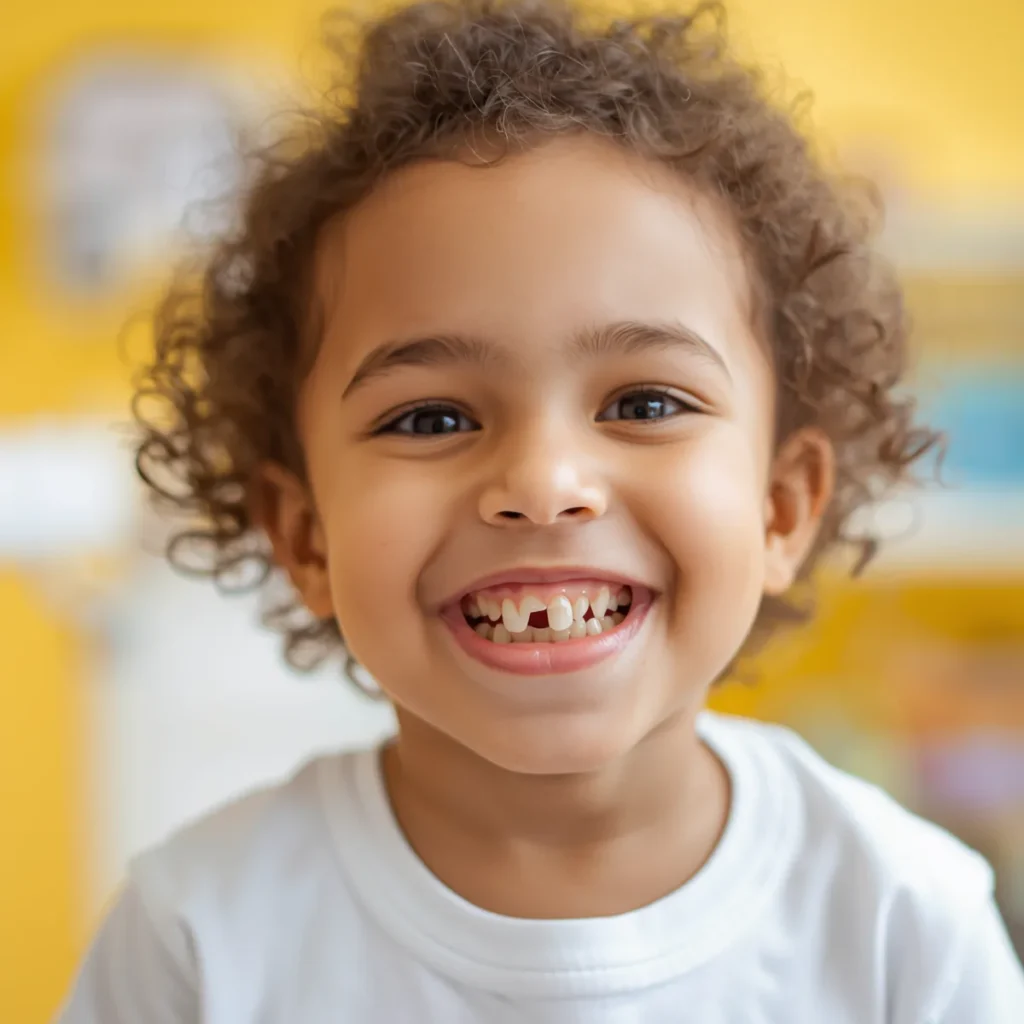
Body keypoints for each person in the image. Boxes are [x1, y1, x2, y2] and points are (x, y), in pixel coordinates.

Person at [58, 1, 1024, 1021]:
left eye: (644, 403)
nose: (543, 481)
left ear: (781, 506)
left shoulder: (901, 923)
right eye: (429, 417)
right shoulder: (198, 938)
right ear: (303, 535)